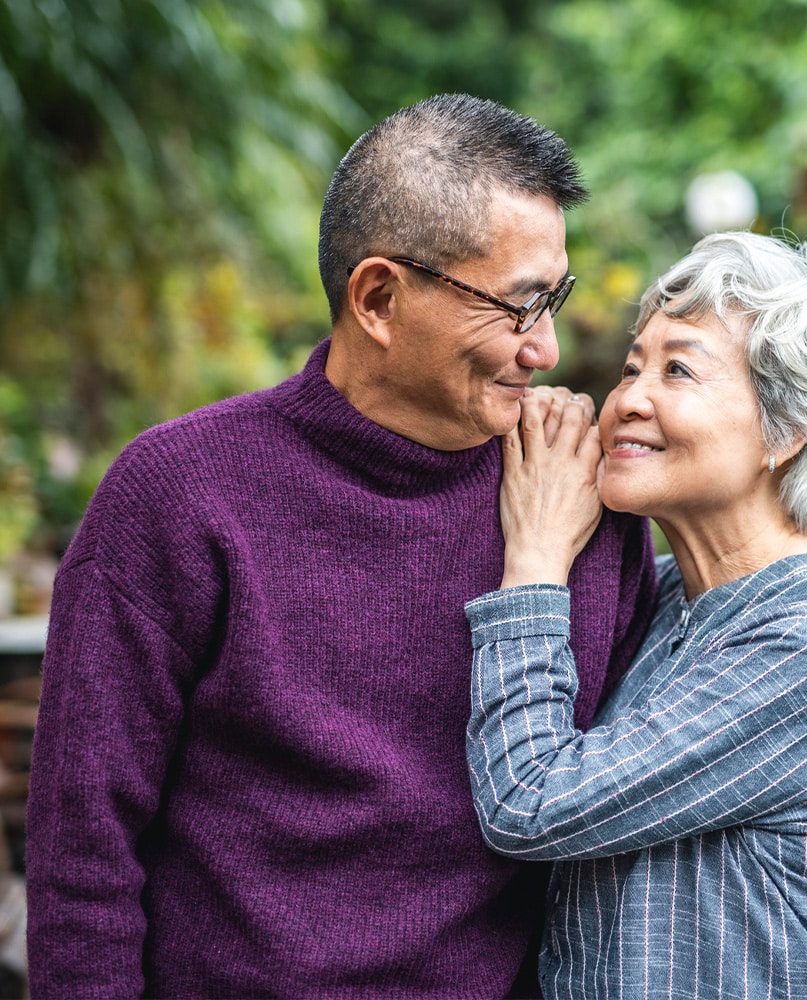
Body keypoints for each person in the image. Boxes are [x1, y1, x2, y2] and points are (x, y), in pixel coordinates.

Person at [25, 94, 657, 998]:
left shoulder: (578, 506)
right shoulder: (179, 494)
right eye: (517, 308)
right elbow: (84, 853)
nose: (546, 349)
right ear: (378, 299)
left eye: (553, 298)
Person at [465, 231, 807, 998]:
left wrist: (534, 561)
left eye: (678, 369)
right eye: (633, 366)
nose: (629, 397)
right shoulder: (668, 598)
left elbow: (530, 802)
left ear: (787, 433)